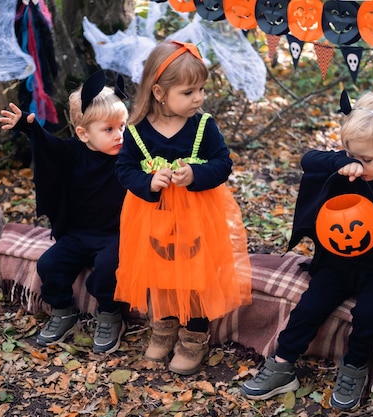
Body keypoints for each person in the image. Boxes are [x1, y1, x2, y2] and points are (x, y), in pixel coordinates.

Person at [241, 90, 373, 411]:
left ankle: (354, 368)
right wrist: (342, 160)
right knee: (309, 306)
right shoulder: (347, 167)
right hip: (338, 262)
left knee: (368, 313)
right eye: (350, 153)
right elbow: (309, 160)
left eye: (366, 160)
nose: (356, 164)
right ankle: (281, 363)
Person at [114, 40, 252, 375]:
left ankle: (193, 336)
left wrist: (196, 174)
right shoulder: (136, 131)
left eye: (201, 89)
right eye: (189, 92)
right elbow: (124, 170)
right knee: (159, 275)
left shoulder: (203, 126)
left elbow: (223, 163)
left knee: (195, 276)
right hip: (153, 218)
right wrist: (148, 183)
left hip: (197, 217)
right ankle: (163, 328)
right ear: (159, 92)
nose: (199, 98)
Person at [0, 70, 129, 354]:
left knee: (108, 270)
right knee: (49, 265)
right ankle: (63, 310)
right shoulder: (73, 151)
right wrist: (30, 127)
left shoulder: (129, 152)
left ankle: (109, 313)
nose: (119, 135)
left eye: (122, 126)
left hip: (117, 235)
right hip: (80, 234)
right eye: (109, 129)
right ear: (83, 134)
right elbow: (49, 147)